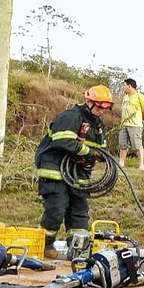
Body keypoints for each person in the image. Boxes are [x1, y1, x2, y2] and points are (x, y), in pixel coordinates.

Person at [35, 85, 113, 259]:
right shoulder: (71, 117)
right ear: (89, 101)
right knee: (57, 206)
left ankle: (78, 249)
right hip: (55, 169)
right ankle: (45, 245)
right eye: (100, 106)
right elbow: (63, 142)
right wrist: (88, 153)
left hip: (79, 173)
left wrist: (94, 157)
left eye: (105, 107)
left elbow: (101, 150)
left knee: (79, 210)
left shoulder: (98, 125)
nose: (102, 111)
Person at [118, 78, 144, 170]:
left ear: (129, 86)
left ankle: (141, 165)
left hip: (135, 125)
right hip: (124, 124)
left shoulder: (140, 97)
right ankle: (121, 163)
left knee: (137, 145)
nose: (123, 87)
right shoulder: (125, 97)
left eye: (124, 85)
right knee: (122, 144)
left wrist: (142, 117)